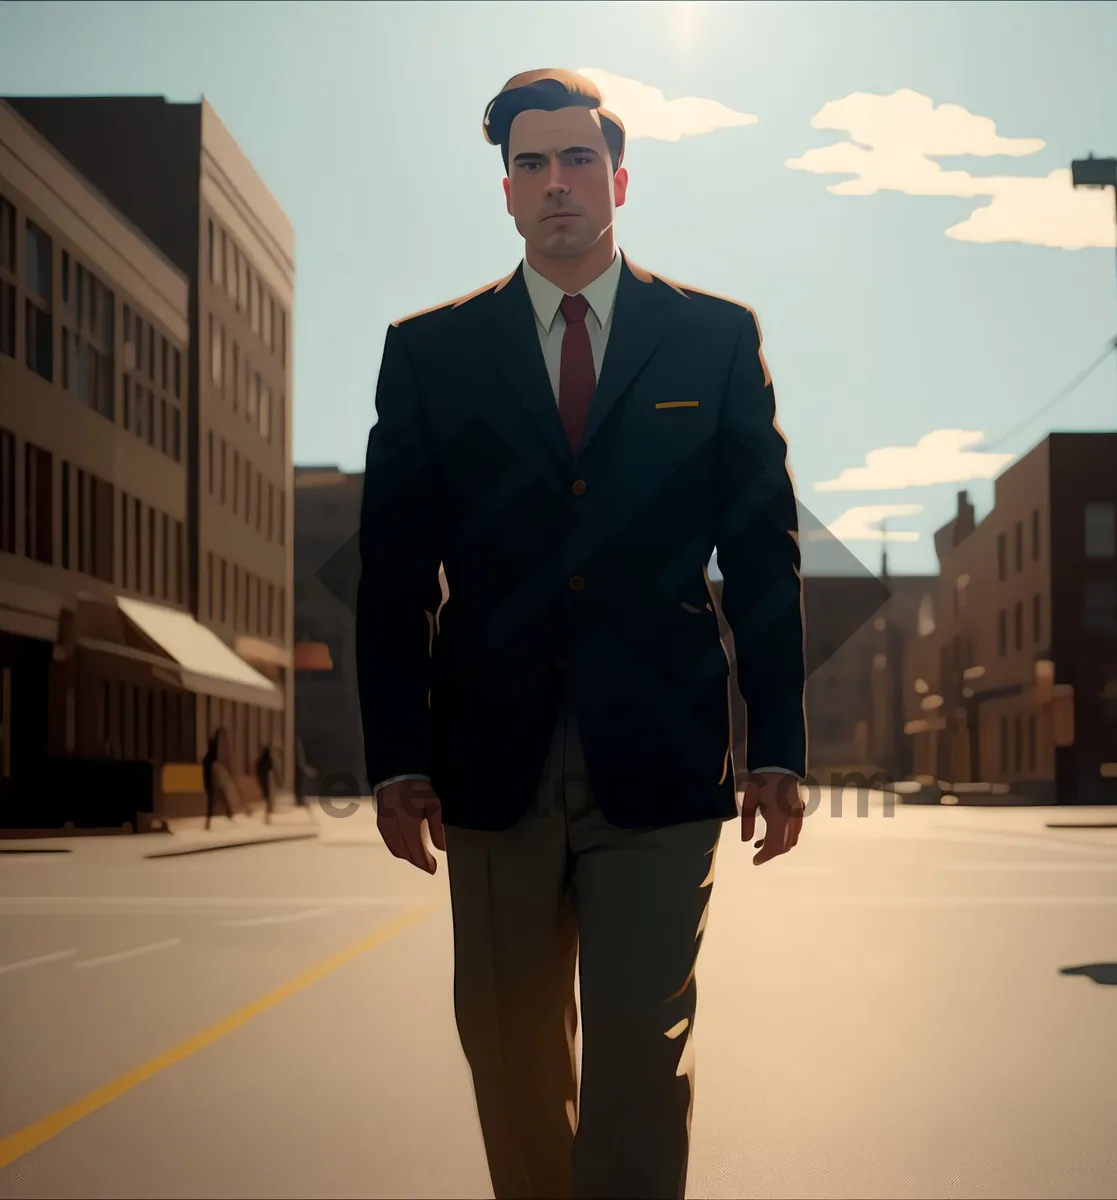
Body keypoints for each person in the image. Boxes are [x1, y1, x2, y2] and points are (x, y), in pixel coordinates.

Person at [356, 68, 808, 1200]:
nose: (554, 183)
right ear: (504, 191)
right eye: (529, 164)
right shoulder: (429, 353)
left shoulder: (713, 340)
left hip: (660, 759)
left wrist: (779, 742)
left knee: (639, 1062)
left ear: (618, 177)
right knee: (511, 1061)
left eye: (574, 161)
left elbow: (762, 559)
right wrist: (400, 756)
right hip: (489, 759)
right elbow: (395, 573)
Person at [202, 728, 237, 831]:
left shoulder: (208, 758)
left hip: (210, 778)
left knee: (215, 799)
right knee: (220, 796)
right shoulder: (211, 758)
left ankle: (211, 821)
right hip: (213, 776)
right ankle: (227, 813)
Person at [256, 743, 276, 823]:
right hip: (267, 782)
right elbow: (272, 769)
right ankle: (267, 818)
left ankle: (267, 818)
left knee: (266, 799)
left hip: (263, 782)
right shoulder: (268, 761)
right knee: (267, 800)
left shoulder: (261, 762)